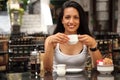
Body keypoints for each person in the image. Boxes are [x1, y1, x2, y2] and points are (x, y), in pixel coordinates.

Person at [43, 0, 102, 72]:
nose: (71, 21)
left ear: (80, 20)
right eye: (67, 17)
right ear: (62, 20)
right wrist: (50, 44)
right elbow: (47, 69)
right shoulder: (51, 40)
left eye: (76, 17)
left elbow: (98, 67)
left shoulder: (86, 40)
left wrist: (93, 45)